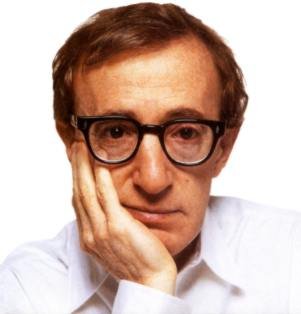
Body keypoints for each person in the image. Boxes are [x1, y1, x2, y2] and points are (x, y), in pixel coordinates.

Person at [1, 2, 301, 314]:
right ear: (70, 141)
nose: (153, 180)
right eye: (116, 132)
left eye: (185, 133)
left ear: (223, 148)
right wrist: (148, 284)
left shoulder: (292, 255)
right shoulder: (26, 288)